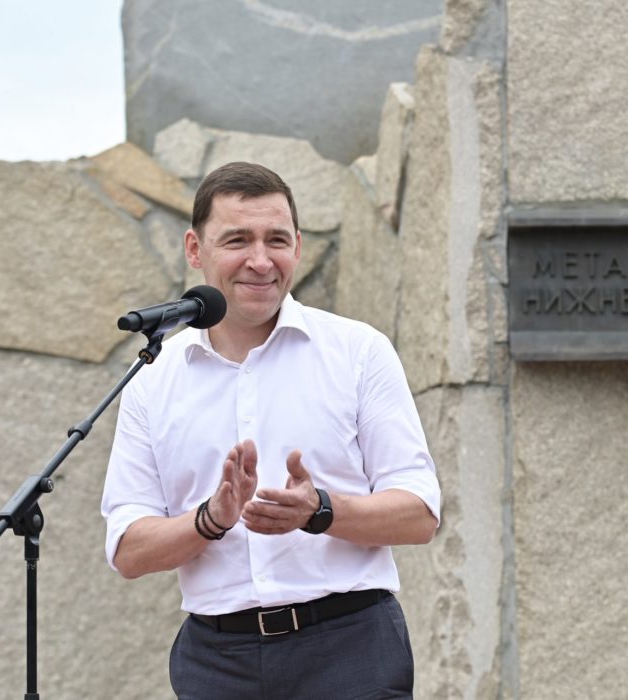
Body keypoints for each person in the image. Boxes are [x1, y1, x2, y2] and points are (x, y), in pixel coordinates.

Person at [101, 161, 440, 699]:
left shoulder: (359, 352)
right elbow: (129, 550)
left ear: (298, 247)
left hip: (351, 649)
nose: (260, 261)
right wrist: (210, 520)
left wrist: (320, 510)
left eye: (276, 240)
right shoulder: (152, 379)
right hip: (216, 663)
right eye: (238, 240)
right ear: (195, 249)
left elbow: (420, 513)